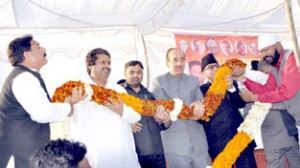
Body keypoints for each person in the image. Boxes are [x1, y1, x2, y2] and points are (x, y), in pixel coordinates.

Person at [0, 35, 85, 168]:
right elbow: (43, 113)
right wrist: (69, 107)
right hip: (21, 154)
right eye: (38, 46)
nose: (44, 49)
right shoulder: (24, 78)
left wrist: (67, 104)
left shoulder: (23, 75)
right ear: (27, 55)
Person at [233, 34, 300, 167]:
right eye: (261, 51)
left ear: (278, 45)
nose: (264, 54)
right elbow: (268, 89)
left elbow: (286, 92)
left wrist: (255, 98)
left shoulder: (291, 59)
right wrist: (243, 79)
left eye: (266, 49)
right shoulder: (274, 65)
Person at [68, 48, 141, 168]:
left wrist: (120, 110)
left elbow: (136, 116)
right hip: (95, 158)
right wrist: (71, 103)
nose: (107, 66)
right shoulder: (77, 89)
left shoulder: (118, 89)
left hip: (124, 156)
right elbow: (63, 112)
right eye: (103, 62)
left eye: (109, 63)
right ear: (90, 65)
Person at [151, 48, 211, 168]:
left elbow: (199, 98)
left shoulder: (193, 80)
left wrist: (200, 102)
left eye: (182, 60)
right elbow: (161, 111)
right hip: (175, 147)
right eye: (175, 60)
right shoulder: (159, 82)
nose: (179, 63)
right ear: (167, 63)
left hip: (199, 143)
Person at [200, 53, 257, 167]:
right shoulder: (201, 91)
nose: (215, 69)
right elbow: (202, 117)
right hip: (218, 143)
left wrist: (231, 88)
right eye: (210, 67)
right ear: (204, 73)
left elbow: (241, 103)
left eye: (217, 66)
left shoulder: (231, 83)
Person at [123, 60, 170, 168]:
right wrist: (126, 125)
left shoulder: (151, 95)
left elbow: (163, 125)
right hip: (135, 156)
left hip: (158, 154)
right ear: (125, 74)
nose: (136, 75)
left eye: (139, 72)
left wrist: (164, 121)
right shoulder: (120, 94)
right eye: (132, 72)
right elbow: (112, 120)